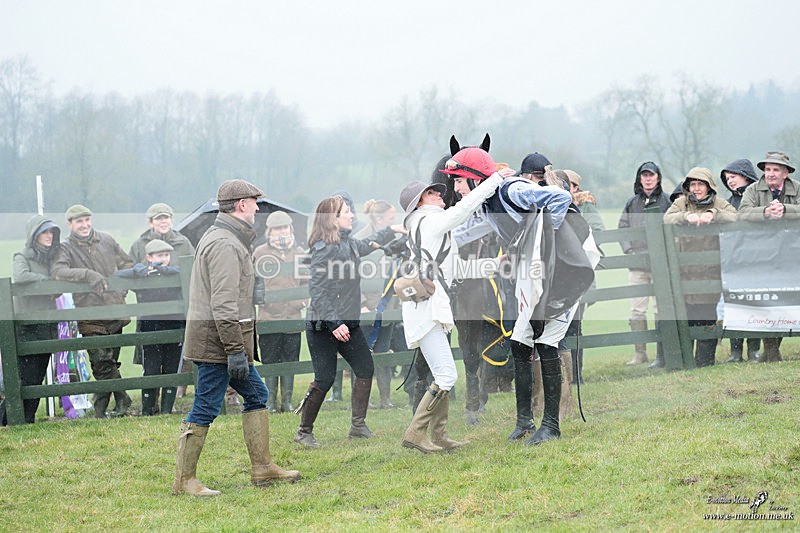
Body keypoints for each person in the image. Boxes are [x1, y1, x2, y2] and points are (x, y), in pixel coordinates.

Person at [452, 149, 596, 445]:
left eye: (459, 181)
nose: (456, 188)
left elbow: (560, 198)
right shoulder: (488, 204)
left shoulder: (512, 190)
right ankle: (524, 422)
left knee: (546, 343)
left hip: (565, 272)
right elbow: (462, 234)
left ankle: (552, 425)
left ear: (475, 179)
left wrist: (545, 244)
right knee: (520, 343)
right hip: (539, 276)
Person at [173, 179, 300, 497]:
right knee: (205, 407)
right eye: (255, 202)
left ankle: (262, 468)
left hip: (225, 343)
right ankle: (184, 480)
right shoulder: (225, 243)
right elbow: (223, 304)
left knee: (257, 393)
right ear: (241, 204)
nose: (258, 208)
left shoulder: (228, 238)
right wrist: (234, 352)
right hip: (216, 344)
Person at [399, 159, 514, 453]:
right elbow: (465, 208)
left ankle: (439, 435)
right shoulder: (430, 221)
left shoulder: (429, 227)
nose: (441, 193)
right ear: (419, 204)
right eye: (432, 193)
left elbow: (458, 270)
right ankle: (416, 433)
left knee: (443, 374)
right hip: (427, 309)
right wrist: (495, 179)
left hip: (429, 308)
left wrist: (495, 263)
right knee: (448, 375)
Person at [294, 196, 403, 448]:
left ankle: (357, 426)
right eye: (346, 212)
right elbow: (317, 292)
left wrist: (392, 230)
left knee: (365, 368)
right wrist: (335, 324)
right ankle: (304, 432)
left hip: (348, 325)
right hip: (323, 327)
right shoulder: (322, 248)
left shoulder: (348, 243)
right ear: (332, 218)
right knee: (325, 378)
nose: (352, 215)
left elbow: (364, 245)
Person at [50, 205, 134, 418]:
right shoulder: (65, 248)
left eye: (87, 219)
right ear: (70, 224)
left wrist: (121, 288)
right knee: (100, 363)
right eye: (79, 221)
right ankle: (122, 398)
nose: (85, 225)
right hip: (90, 314)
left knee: (110, 362)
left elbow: (127, 264)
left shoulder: (106, 240)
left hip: (115, 310)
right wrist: (88, 274)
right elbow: (58, 271)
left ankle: (101, 409)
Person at [663, 167, 737, 367]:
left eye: (700, 184)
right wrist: (686, 216)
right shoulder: (681, 203)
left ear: (709, 186)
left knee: (706, 316)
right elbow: (667, 218)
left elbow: (734, 215)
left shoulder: (719, 203)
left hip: (709, 272)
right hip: (684, 273)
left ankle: (705, 362)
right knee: (686, 317)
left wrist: (712, 214)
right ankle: (686, 361)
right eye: (692, 184)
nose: (696, 189)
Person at [128, 202, 196, 399]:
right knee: (150, 359)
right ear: (150, 222)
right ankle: (150, 402)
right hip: (149, 309)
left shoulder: (183, 243)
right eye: (159, 218)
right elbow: (130, 271)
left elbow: (192, 269)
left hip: (177, 308)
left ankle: (169, 402)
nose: (163, 221)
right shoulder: (139, 245)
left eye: (166, 217)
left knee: (173, 358)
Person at [738, 151, 800, 362]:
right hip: (762, 253)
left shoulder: (797, 188)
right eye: (767, 169)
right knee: (767, 299)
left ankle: (773, 349)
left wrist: (786, 209)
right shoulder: (753, 189)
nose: (770, 174)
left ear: (785, 173)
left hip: (791, 252)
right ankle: (771, 350)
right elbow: (742, 212)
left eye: (775, 169)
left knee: (786, 299)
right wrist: (765, 212)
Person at [115, 239, 184, 415]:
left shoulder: (175, 273)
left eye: (167, 255)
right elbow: (118, 276)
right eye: (160, 255)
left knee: (171, 367)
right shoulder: (143, 275)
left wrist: (167, 271)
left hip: (175, 325)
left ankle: (167, 409)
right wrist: (137, 270)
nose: (164, 259)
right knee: (151, 368)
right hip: (150, 326)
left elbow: (188, 272)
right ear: (149, 257)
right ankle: (147, 410)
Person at [618, 162, 672, 368]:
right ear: (639, 179)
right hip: (637, 266)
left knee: (660, 309)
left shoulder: (667, 201)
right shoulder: (632, 203)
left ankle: (662, 351)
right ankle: (640, 353)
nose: (648, 179)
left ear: (658, 178)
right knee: (637, 311)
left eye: (652, 175)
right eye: (644, 175)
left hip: (660, 265)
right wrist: (629, 252)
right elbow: (622, 228)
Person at [9, 216, 62, 424]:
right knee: (27, 378)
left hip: (47, 325)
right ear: (34, 235)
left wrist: (54, 289)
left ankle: (27, 418)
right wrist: (47, 282)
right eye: (44, 232)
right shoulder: (22, 256)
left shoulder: (51, 259)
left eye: (52, 232)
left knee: (38, 375)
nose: (49, 236)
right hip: (29, 326)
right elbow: (20, 277)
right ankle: (11, 419)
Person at [253, 210, 306, 413]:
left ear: (290, 228)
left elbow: (307, 282)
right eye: (277, 228)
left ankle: (287, 401)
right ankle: (270, 401)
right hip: (268, 318)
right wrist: (264, 302)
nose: (281, 231)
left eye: (284, 227)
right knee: (270, 360)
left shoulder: (300, 253)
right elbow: (253, 283)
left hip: (293, 317)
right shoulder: (259, 253)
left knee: (290, 360)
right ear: (269, 231)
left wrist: (300, 302)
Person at [354, 199, 400, 409]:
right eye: (392, 218)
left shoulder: (395, 239)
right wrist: (362, 303)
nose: (395, 222)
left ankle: (385, 399)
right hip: (367, 308)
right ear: (380, 219)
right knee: (363, 355)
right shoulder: (360, 240)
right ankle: (362, 400)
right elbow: (351, 277)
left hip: (388, 305)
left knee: (383, 351)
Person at [562, 169, 604, 385]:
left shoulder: (585, 207)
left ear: (575, 188)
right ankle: (564, 376)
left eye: (567, 184)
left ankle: (576, 376)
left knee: (574, 326)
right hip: (561, 277)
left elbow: (597, 230)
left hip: (579, 275)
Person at [719, 159, 761, 362]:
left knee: (754, 304)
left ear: (745, 175)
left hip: (755, 260)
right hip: (734, 260)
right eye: (727, 179)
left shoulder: (758, 197)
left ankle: (753, 350)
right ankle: (735, 352)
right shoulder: (729, 202)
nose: (730, 181)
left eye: (733, 177)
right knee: (734, 306)